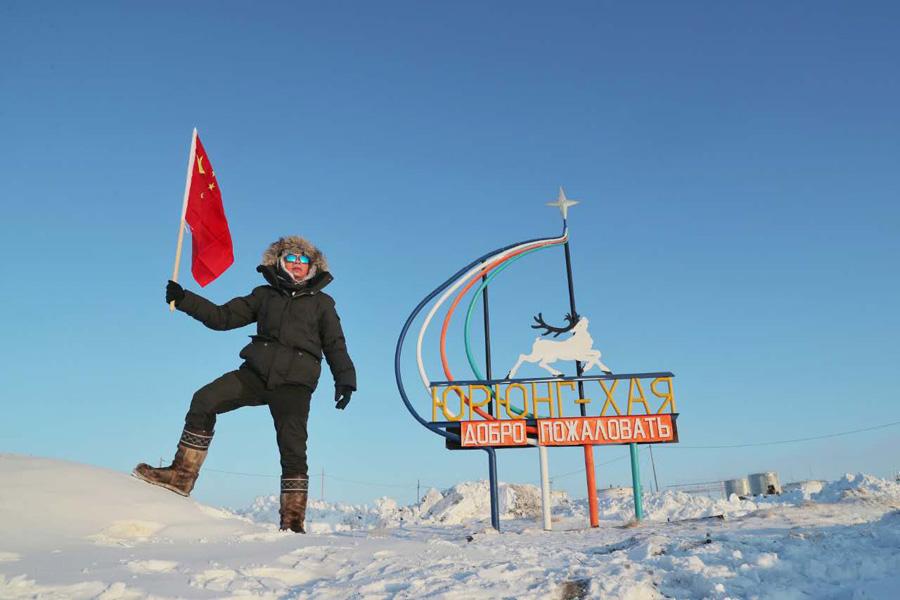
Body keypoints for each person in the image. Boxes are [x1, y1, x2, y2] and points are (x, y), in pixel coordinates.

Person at [134, 236, 356, 533]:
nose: (297, 264)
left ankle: (292, 522)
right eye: (290, 258)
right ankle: (181, 476)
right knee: (204, 400)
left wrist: (345, 379)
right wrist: (185, 299)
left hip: (295, 384)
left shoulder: (322, 304)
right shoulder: (264, 295)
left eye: (303, 260)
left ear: (313, 266)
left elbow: (335, 344)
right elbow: (222, 317)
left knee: (292, 448)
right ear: (278, 261)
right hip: (255, 374)